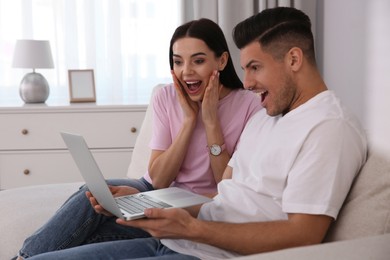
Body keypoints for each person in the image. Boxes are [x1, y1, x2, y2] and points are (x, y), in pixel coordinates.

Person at [26, 6, 367, 260]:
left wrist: (192, 228)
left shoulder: (329, 128)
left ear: (294, 59)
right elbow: (225, 195)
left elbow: (303, 236)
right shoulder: (268, 115)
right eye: (245, 68)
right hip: (182, 238)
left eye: (255, 68)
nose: (247, 82)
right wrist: (152, 207)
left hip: (204, 251)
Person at [15, 19, 261, 259]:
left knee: (96, 231)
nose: (186, 72)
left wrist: (210, 122)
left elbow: (226, 187)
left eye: (198, 61)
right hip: (160, 190)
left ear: (222, 60)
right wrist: (188, 121)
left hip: (203, 203)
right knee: (93, 194)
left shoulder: (250, 105)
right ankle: (23, 257)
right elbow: (160, 179)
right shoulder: (166, 96)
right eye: (178, 62)